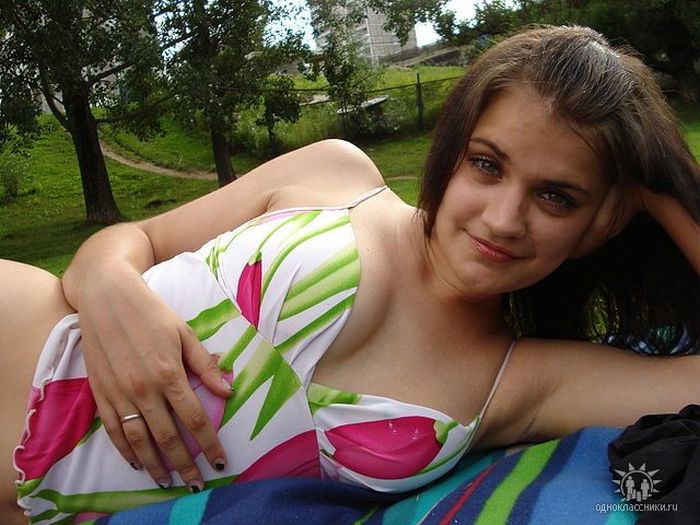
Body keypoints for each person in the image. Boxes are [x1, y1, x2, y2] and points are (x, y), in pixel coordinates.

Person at [2, 25, 699, 523]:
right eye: (486, 164)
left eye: (557, 197)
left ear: (600, 224)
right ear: (452, 151)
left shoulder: (520, 383)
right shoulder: (339, 175)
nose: (503, 217)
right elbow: (133, 239)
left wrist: (664, 183)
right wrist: (110, 289)